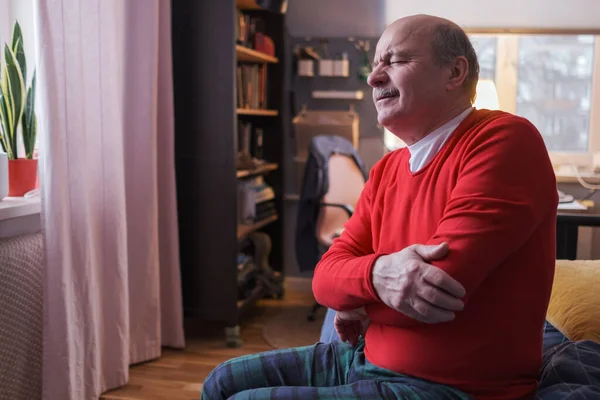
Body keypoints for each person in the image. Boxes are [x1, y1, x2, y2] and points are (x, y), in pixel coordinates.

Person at [201, 14, 558, 400]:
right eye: (374, 65)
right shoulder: (387, 168)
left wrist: (357, 297)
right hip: (361, 358)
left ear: (454, 72)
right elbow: (324, 279)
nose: (373, 78)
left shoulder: (505, 140)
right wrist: (376, 275)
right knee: (220, 381)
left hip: (454, 388)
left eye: (396, 61)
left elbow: (436, 289)